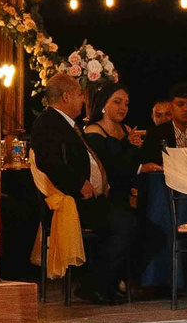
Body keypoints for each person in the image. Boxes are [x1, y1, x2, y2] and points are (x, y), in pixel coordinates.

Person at [31, 72, 137, 302]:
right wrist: (79, 183)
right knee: (125, 223)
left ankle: (100, 283)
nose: (83, 100)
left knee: (126, 216)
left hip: (85, 198)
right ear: (66, 96)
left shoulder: (65, 123)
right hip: (72, 201)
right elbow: (48, 161)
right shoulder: (48, 122)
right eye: (80, 94)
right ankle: (96, 286)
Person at [83, 84, 143, 197]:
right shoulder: (93, 131)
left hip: (132, 191)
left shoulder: (127, 129)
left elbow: (136, 161)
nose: (123, 107)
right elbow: (108, 167)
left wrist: (138, 147)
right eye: (117, 102)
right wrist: (128, 145)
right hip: (107, 195)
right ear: (104, 104)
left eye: (126, 104)